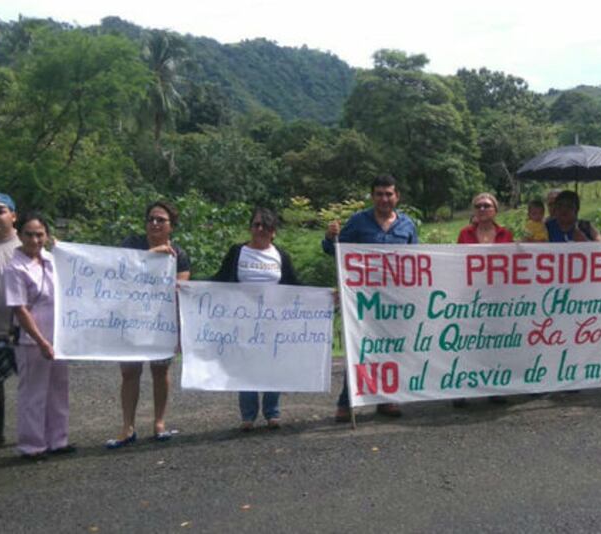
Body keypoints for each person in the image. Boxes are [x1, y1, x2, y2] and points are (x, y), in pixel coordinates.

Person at [323, 175, 417, 422]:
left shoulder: (407, 225)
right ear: (372, 196)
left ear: (397, 196)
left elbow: (417, 260)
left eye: (389, 194)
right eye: (379, 194)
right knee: (360, 349)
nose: (384, 199)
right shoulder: (358, 222)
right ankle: (347, 402)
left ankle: (387, 399)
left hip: (396, 300)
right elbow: (335, 250)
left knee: (390, 348)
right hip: (363, 299)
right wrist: (330, 236)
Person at [106, 201, 191, 449]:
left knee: (160, 371)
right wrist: (152, 255)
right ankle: (127, 427)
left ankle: (159, 423)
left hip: (160, 324)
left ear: (171, 226)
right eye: (151, 219)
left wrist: (179, 332)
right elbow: (119, 271)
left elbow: (180, 289)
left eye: (161, 220)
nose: (154, 223)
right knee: (129, 373)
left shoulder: (179, 255)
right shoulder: (131, 245)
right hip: (130, 320)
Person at [211, 207, 301, 430]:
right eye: (256, 225)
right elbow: (220, 278)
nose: (260, 229)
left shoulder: (280, 255)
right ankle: (248, 415)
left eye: (266, 225)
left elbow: (297, 285)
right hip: (243, 321)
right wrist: (189, 287)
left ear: (274, 231)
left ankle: (272, 412)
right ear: (250, 228)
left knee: (273, 364)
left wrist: (326, 296)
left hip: (274, 321)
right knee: (246, 366)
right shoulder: (237, 252)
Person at [3, 213, 73, 459]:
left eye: (39, 234)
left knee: (58, 390)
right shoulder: (14, 268)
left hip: (58, 336)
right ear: (20, 236)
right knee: (33, 393)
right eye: (29, 234)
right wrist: (41, 341)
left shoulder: (52, 259)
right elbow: (19, 308)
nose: (35, 239)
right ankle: (32, 445)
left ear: (47, 235)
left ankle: (58, 439)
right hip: (31, 340)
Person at [454, 193, 513, 407]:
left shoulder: (505, 234)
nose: (482, 209)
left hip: (498, 298)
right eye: (478, 206)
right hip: (471, 297)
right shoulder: (464, 234)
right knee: (468, 343)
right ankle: (460, 388)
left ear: (495, 210)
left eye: (486, 206)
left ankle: (494, 388)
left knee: (494, 345)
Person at [0, 193, 20, 450]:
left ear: (13, 215)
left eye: (0, 211)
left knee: (32, 386)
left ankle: (39, 434)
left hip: (25, 331)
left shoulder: (28, 245)